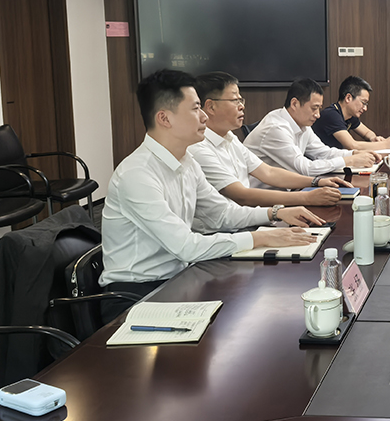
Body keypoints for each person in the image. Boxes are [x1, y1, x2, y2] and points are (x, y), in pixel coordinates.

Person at [100, 70, 319, 318]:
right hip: (136, 296)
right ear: (164, 118)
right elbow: (186, 246)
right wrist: (261, 238)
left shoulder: (187, 161)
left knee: (258, 305)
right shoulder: (137, 174)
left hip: (179, 278)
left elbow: (222, 214)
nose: (204, 116)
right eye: (195, 109)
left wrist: (275, 213)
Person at [192, 72, 353, 209]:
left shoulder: (229, 137)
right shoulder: (198, 148)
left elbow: (268, 172)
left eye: (241, 100)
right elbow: (242, 196)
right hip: (241, 219)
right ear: (210, 107)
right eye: (235, 101)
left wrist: (316, 182)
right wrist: (306, 197)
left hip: (252, 212)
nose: (241, 106)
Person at [244, 78, 379, 180]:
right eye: (314, 108)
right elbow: (305, 169)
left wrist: (354, 154)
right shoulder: (276, 128)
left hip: (289, 191)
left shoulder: (303, 125)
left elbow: (323, 152)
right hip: (264, 199)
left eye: (319, 108)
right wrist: (349, 160)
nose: (318, 115)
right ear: (295, 104)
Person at [313, 75, 390, 152]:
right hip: (320, 162)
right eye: (363, 102)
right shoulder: (331, 115)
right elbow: (352, 145)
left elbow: (367, 133)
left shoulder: (350, 116)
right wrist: (385, 144)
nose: (365, 108)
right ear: (348, 98)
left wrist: (374, 138)